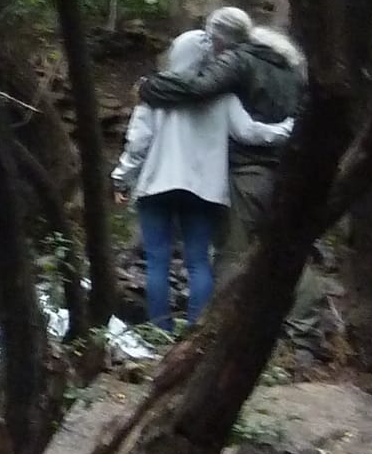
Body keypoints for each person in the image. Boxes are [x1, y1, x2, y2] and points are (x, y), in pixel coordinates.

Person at [113, 26, 295, 332]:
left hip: (158, 186)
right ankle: (196, 331)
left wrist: (121, 179)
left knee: (157, 261)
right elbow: (250, 132)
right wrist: (288, 127)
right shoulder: (222, 98)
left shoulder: (155, 93)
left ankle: (161, 330)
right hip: (204, 191)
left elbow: (138, 144)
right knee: (198, 262)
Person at [137, 6, 307, 250]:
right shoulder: (284, 64)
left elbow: (200, 88)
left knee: (233, 248)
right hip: (281, 166)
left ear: (219, 39)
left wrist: (150, 87)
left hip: (246, 169)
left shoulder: (238, 60)